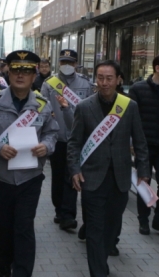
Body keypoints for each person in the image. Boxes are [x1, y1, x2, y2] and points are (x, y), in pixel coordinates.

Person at [0, 50, 59, 277]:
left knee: (24, 227)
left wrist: (46, 146)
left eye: (27, 71)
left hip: (30, 177)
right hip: (0, 177)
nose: (21, 75)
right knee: (3, 228)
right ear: (8, 72)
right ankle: (4, 266)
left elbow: (52, 133)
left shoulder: (42, 104)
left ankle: (22, 272)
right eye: (16, 70)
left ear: (34, 75)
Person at [67, 60, 150, 277]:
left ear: (119, 79)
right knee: (95, 228)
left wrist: (144, 172)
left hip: (120, 178)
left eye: (109, 78)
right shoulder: (84, 107)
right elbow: (74, 142)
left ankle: (101, 260)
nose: (104, 83)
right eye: (100, 78)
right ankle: (98, 271)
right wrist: (74, 169)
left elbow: (140, 141)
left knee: (111, 228)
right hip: (92, 177)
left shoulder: (129, 106)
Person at [127, 53, 159, 236]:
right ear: (157, 68)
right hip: (144, 145)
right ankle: (143, 219)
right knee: (145, 179)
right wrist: (132, 142)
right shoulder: (137, 89)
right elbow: (130, 118)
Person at [41, 49, 93, 231]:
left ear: (76, 64)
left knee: (72, 175)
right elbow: (43, 109)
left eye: (70, 63)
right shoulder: (49, 84)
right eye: (63, 62)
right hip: (56, 138)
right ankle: (59, 209)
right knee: (57, 176)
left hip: (77, 139)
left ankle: (68, 215)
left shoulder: (85, 84)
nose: (67, 66)